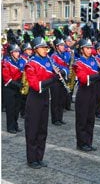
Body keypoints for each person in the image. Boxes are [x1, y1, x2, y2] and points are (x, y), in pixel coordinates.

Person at [24, 35, 58, 168]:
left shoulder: (48, 60)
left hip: (45, 97)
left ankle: (39, 157)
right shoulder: (30, 64)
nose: (45, 50)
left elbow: (51, 76)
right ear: (35, 49)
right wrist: (52, 79)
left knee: (43, 129)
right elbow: (35, 85)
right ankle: (32, 159)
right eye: (42, 48)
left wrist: (60, 74)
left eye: (46, 48)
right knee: (33, 129)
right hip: (34, 98)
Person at [73, 38, 100, 152]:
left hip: (93, 91)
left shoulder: (94, 60)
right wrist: (98, 75)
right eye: (87, 48)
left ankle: (88, 142)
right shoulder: (78, 63)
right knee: (82, 119)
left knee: (91, 119)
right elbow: (83, 79)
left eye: (90, 48)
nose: (90, 50)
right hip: (84, 92)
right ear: (81, 49)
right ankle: (81, 143)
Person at [2, 41, 25, 134]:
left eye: (18, 51)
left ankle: (15, 125)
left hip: (17, 87)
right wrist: (18, 84)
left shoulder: (20, 61)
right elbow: (7, 78)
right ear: (11, 53)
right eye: (15, 52)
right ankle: (10, 127)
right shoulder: (6, 62)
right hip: (9, 88)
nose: (18, 53)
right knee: (10, 109)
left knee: (16, 108)